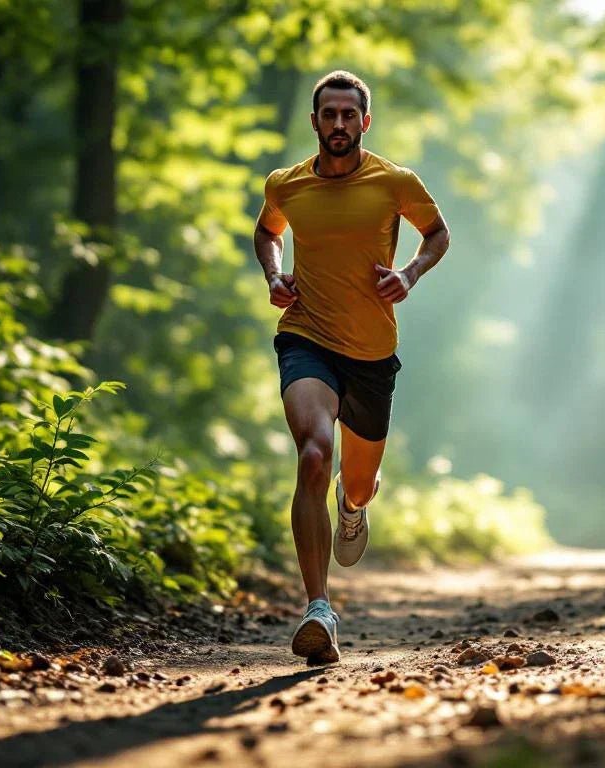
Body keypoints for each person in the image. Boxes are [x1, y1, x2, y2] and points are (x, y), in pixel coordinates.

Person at [253, 70, 451, 664]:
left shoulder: (395, 182)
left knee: (357, 482)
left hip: (371, 352)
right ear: (314, 121)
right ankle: (318, 608)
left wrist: (409, 274)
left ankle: (355, 502)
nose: (338, 124)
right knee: (314, 453)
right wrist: (274, 274)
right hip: (306, 336)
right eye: (328, 114)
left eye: (348, 115)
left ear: (364, 122)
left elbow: (437, 234)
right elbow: (267, 232)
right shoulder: (286, 184)